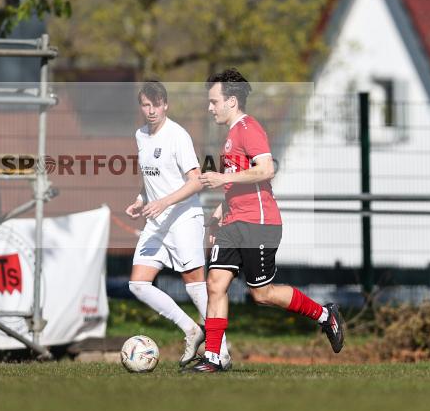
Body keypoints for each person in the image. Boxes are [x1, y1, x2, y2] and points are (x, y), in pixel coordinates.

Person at [190, 68, 344, 373]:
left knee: (262, 294)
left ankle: (325, 315)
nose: (210, 108)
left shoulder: (249, 129)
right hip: (234, 223)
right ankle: (212, 357)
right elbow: (237, 184)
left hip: (258, 224)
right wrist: (217, 217)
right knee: (215, 283)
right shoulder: (231, 136)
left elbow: (266, 170)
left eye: (214, 101)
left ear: (231, 101)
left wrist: (222, 177)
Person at [124, 80, 231, 368]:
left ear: (165, 105)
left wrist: (164, 202)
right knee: (138, 284)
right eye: (145, 105)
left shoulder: (177, 136)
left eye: (155, 105)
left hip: (183, 218)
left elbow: (196, 181)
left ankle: (220, 350)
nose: (150, 111)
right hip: (157, 222)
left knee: (195, 285)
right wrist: (140, 199)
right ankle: (191, 329)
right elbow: (151, 179)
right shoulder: (140, 136)